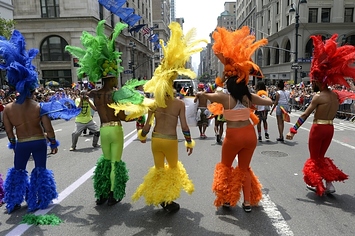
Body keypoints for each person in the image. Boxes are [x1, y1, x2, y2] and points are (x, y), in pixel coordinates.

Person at [66, 20, 148, 206]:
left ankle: (101, 194)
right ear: (112, 79)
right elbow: (120, 116)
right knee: (115, 163)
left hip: (103, 130)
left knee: (104, 160)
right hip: (116, 130)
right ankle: (113, 193)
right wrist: (134, 116)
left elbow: (86, 93)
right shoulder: (114, 94)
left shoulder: (96, 94)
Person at [132, 22, 207, 212]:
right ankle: (168, 200)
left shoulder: (154, 103)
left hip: (155, 140)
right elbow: (184, 127)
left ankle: (160, 196)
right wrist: (189, 142)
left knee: (158, 170)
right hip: (170, 140)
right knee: (172, 170)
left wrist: (141, 136)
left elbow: (147, 125)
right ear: (172, 84)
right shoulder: (179, 103)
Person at [201, 26, 270, 212]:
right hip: (250, 135)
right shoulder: (249, 97)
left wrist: (221, 80)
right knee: (244, 168)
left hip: (233, 137)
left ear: (229, 84)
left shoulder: (225, 97)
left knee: (226, 166)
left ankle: (225, 199)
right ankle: (247, 202)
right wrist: (262, 93)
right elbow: (269, 101)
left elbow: (207, 94)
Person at [286, 34, 355, 196]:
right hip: (330, 129)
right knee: (322, 156)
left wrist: (293, 130)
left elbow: (304, 114)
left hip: (318, 129)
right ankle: (329, 183)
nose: (312, 84)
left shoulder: (318, 96)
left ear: (318, 81)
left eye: (314, 81)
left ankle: (318, 185)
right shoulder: (335, 96)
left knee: (314, 158)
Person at [0, 30, 59, 213]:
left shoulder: (8, 109)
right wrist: (52, 142)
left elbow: (9, 133)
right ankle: (41, 199)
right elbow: (48, 128)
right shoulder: (38, 106)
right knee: (40, 170)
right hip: (39, 142)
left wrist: (13, 143)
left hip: (22, 143)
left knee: (18, 171)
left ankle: (15, 201)